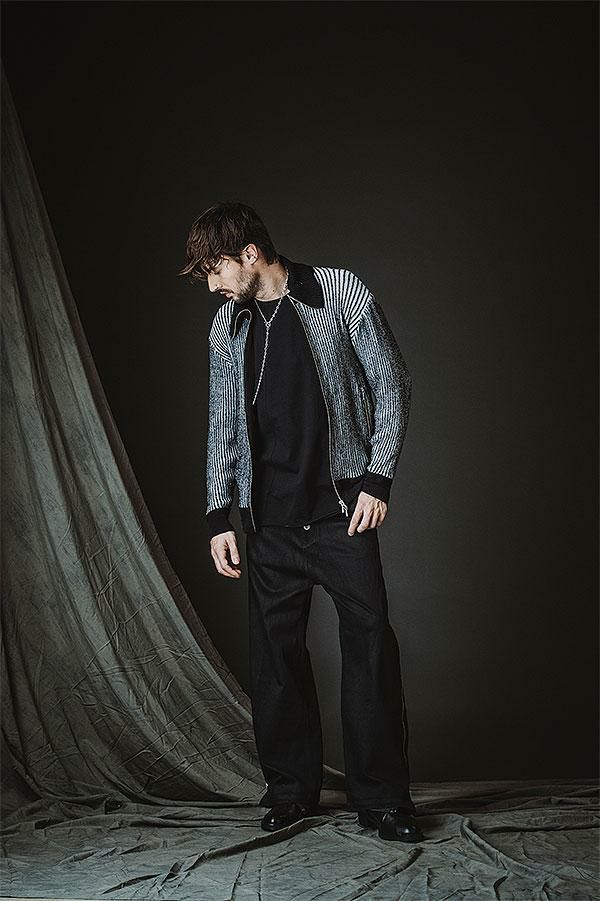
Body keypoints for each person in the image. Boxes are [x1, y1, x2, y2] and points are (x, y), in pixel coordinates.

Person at [179, 201, 424, 843]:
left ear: (250, 254)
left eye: (215, 269)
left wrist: (377, 477)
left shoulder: (338, 292)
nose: (212, 285)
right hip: (268, 523)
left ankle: (383, 799)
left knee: (370, 649)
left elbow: (391, 383)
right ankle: (290, 792)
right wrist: (219, 514)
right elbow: (222, 422)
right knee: (275, 661)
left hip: (341, 514)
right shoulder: (226, 326)